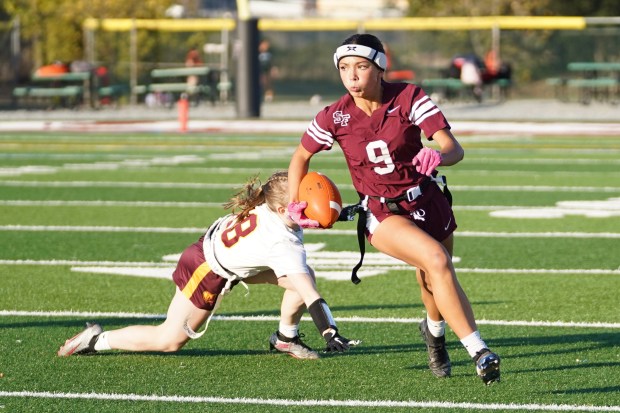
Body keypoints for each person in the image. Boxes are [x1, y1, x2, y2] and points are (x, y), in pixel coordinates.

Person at [287, 34, 501, 384]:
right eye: (344, 68)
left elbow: (454, 148)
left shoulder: (408, 97)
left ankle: (434, 333)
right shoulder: (334, 116)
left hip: (427, 199)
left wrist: (439, 156)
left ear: (380, 68)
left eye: (361, 67)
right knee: (436, 261)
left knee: (434, 275)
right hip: (382, 212)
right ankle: (479, 350)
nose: (352, 76)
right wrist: (295, 202)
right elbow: (301, 156)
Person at [58, 171, 357, 360]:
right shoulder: (282, 243)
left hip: (224, 255)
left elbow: (300, 213)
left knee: (306, 277)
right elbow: (311, 295)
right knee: (170, 340)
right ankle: (95, 340)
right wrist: (329, 331)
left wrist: (339, 213)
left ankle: (285, 339)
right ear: (282, 209)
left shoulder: (273, 204)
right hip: (207, 268)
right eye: (302, 203)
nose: (307, 206)